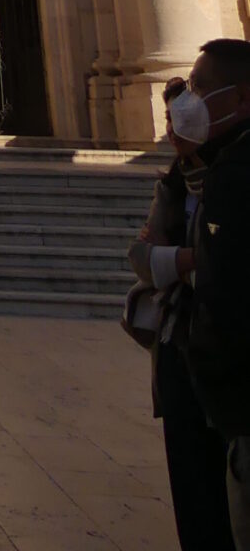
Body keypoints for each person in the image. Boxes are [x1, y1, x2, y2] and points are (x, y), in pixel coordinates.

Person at [128, 77, 235, 551]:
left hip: (225, 348)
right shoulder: (174, 182)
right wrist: (187, 259)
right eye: (168, 120)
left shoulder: (233, 177)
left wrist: (178, 261)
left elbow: (224, 259)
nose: (171, 131)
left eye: (178, 120)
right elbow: (141, 257)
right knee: (193, 490)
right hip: (178, 343)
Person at [175, 38, 250, 548]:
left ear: (240, 98)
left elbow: (228, 292)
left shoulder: (238, 174)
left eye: (199, 89)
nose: (187, 102)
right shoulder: (220, 167)